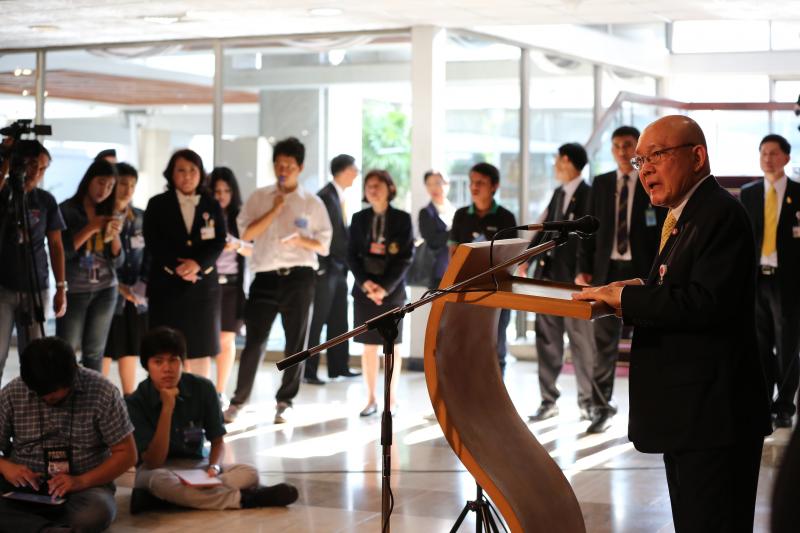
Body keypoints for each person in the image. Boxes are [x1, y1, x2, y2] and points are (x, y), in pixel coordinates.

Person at [573, 115, 771, 532]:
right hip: (689, 414)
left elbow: (705, 303)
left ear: (697, 157)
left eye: (656, 155)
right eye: (640, 160)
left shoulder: (720, 213)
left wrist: (627, 299)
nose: (644, 169)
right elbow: (680, 286)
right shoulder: (686, 214)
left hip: (714, 417)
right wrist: (638, 287)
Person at [125, 327, 298, 514]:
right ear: (147, 365)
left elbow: (217, 441)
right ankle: (248, 499)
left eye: (173, 360)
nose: (167, 368)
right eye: (158, 362)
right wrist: (167, 409)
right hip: (158, 470)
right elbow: (154, 461)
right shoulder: (135, 402)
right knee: (159, 482)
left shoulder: (202, 388)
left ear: (182, 362)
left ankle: (165, 500)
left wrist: (214, 468)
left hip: (197, 465)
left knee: (249, 473)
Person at [224, 137, 331, 424]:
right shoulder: (260, 197)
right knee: (254, 341)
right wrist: (273, 210)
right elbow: (245, 234)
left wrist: (300, 240)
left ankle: (285, 401)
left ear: (300, 168)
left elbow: (324, 245)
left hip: (299, 277)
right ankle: (238, 400)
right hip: (265, 277)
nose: (283, 170)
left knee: (296, 341)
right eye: (279, 164)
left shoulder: (312, 203)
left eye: (289, 165)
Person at [576, 127, 665, 433]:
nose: (622, 151)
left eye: (628, 145)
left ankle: (651, 410)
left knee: (647, 343)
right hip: (606, 270)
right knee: (603, 345)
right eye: (616, 146)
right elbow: (587, 230)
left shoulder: (650, 179)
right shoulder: (601, 184)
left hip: (641, 273)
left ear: (638, 149)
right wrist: (584, 267)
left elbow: (661, 229)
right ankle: (601, 408)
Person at [0, 337, 137, 533]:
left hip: (84, 488)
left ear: (73, 375)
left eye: (54, 393)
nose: (47, 398)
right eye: (40, 394)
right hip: (23, 487)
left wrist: (80, 481)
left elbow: (127, 454)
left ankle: (27, 525)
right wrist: (7, 467)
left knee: (95, 513)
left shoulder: (102, 391)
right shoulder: (13, 392)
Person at [525, 143, 596, 423]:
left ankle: (588, 402)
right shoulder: (558, 193)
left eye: (557, 160)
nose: (555, 165)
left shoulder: (590, 193)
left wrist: (585, 271)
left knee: (582, 343)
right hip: (549, 279)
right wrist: (526, 261)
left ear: (566, 160)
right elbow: (544, 231)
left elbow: (591, 239)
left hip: (575, 283)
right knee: (547, 341)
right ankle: (548, 400)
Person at [143, 149, 226, 378]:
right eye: (181, 170)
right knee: (167, 349)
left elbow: (219, 240)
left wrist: (197, 264)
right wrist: (177, 267)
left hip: (202, 288)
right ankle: (168, 395)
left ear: (201, 173)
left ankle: (200, 396)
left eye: (193, 170)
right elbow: (153, 241)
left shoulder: (211, 204)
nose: (187, 176)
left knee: (200, 349)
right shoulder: (157, 203)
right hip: (166, 287)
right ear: (171, 173)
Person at [740, 133, 800, 429]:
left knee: (787, 346)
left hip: (787, 282)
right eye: (763, 153)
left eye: (774, 153)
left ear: (786, 157)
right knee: (759, 345)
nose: (767, 158)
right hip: (756, 281)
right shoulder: (749, 193)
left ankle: (785, 406)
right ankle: (762, 403)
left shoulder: (798, 192)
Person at [0, 140, 66, 386]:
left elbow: (56, 245)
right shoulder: (4, 192)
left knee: (34, 357)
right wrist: (6, 160)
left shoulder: (45, 200)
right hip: (3, 286)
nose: (36, 173)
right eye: (32, 165)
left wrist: (61, 287)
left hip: (36, 285)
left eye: (43, 168)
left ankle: (33, 401)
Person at [347, 170, 413, 417]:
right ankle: (371, 398)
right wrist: (366, 285)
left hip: (392, 292)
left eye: (378, 185)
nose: (373, 190)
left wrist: (385, 288)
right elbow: (350, 255)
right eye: (369, 186)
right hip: (364, 291)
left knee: (392, 346)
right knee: (368, 347)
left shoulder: (402, 219)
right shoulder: (358, 218)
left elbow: (406, 257)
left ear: (390, 188)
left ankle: (391, 399)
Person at [449, 163, 517, 376]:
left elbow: (511, 258)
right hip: (467, 290)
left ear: (494, 186)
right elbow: (453, 253)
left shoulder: (506, 217)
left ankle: (496, 391)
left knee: (496, 348)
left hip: (497, 291)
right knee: (466, 346)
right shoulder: (461, 215)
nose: (474, 187)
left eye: (480, 182)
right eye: (472, 182)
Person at [57, 159, 123, 372]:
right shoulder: (67, 209)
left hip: (106, 288)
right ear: (89, 180)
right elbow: (63, 252)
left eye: (110, 186)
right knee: (65, 350)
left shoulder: (111, 212)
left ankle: (93, 392)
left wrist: (115, 234)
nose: (104, 190)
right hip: (75, 288)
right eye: (101, 182)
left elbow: (118, 261)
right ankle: (64, 389)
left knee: (95, 352)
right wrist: (91, 228)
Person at [304, 154, 361, 385]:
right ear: (344, 171)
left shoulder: (339, 196)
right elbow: (321, 234)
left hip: (339, 268)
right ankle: (308, 371)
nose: (356, 174)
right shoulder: (325, 197)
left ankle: (339, 367)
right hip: (325, 268)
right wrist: (322, 267)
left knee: (339, 319)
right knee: (317, 321)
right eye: (354, 169)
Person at [102, 162, 147, 396]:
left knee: (130, 347)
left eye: (132, 185)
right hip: (108, 291)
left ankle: (130, 399)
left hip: (136, 294)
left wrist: (142, 285)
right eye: (122, 184)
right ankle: (99, 396)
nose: (127, 190)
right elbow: (99, 257)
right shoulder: (102, 216)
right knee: (104, 348)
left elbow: (149, 254)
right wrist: (119, 287)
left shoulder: (140, 217)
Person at [209, 167, 249, 401]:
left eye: (226, 191)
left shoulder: (240, 217)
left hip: (233, 285)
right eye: (217, 191)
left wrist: (237, 245)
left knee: (226, 339)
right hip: (208, 284)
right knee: (205, 341)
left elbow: (256, 249)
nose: (221, 196)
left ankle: (220, 391)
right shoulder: (203, 214)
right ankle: (205, 391)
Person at [419, 170, 455, 290]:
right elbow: (432, 241)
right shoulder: (426, 212)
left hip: (456, 268)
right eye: (429, 184)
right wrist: (454, 233)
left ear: (447, 184)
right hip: (438, 271)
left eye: (437, 183)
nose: (433, 188)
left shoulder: (454, 210)